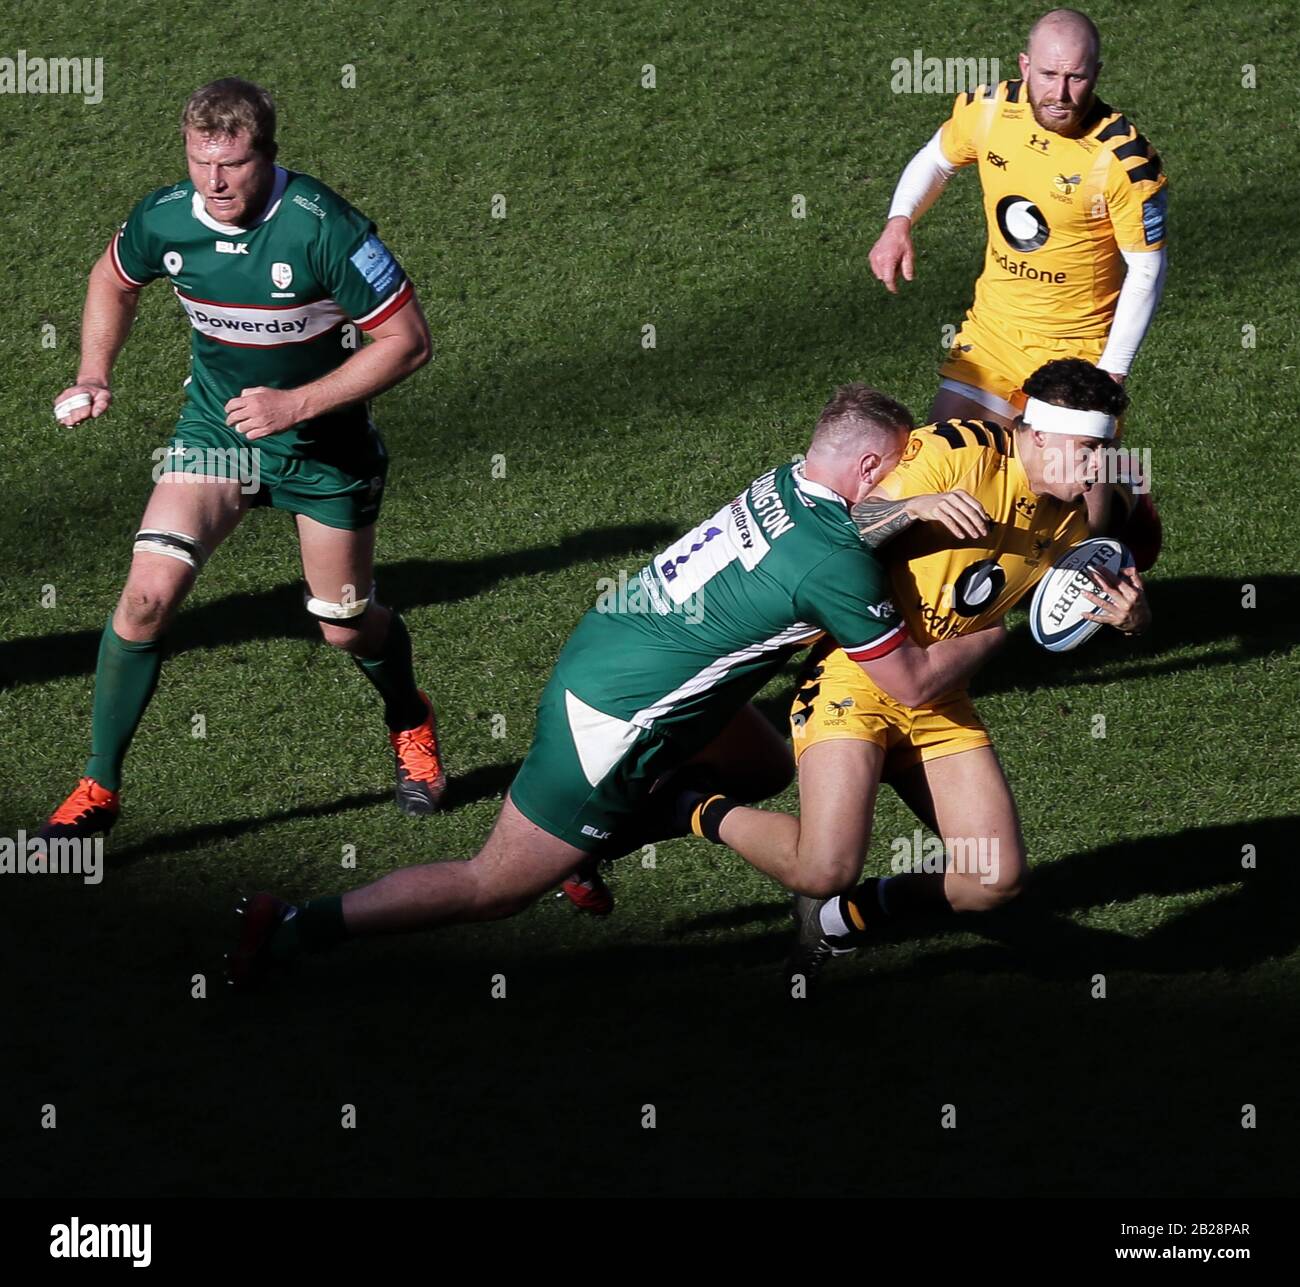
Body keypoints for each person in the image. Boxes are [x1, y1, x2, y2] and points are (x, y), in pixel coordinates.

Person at [227, 384, 1006, 986]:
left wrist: (911, 505)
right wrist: (1012, 624)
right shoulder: (833, 563)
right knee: (492, 885)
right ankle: (290, 924)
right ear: (868, 468)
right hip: (617, 718)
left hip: (622, 651)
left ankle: (602, 841)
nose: (907, 478)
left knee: (765, 766)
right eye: (900, 467)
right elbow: (906, 682)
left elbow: (833, 534)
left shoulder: (789, 484)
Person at [40, 78, 445, 842]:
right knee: (145, 597)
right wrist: (95, 371)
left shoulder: (325, 228)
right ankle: (99, 783)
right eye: (201, 162)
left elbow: (410, 343)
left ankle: (409, 717)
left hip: (325, 451)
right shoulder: (164, 217)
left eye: (233, 163)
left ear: (269, 154)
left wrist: (294, 405)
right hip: (216, 437)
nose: (216, 183)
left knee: (344, 624)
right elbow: (111, 280)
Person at [677, 359, 1151, 991]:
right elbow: (832, 534)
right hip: (854, 677)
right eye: (1087, 449)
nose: (1098, 468)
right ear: (1036, 434)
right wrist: (913, 507)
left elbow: (1091, 604)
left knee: (995, 881)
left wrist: (1133, 618)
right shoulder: (955, 452)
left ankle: (840, 924)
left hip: (937, 696)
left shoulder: (1069, 522)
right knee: (823, 866)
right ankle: (692, 806)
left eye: (1107, 451)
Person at [867, 8, 1166, 557]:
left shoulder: (1123, 160)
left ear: (1096, 73)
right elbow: (936, 160)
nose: (1061, 92)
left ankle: (1114, 525)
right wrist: (899, 221)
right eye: (1049, 75)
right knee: (941, 470)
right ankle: (968, 592)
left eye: (1076, 77)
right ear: (1024, 66)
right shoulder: (987, 113)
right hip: (994, 336)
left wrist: (1113, 370)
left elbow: (1146, 267)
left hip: (1077, 353)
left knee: (1074, 508)